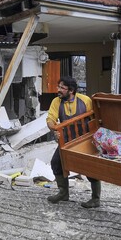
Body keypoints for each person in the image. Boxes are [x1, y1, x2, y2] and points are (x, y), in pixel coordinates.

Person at [46, 76, 102, 208]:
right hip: (65, 140)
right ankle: (63, 193)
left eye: (62, 88)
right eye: (58, 86)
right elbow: (50, 118)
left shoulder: (85, 100)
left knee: (89, 167)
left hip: (84, 140)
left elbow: (94, 118)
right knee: (56, 163)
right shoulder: (56, 101)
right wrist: (53, 128)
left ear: (71, 90)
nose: (58, 90)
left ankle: (95, 198)